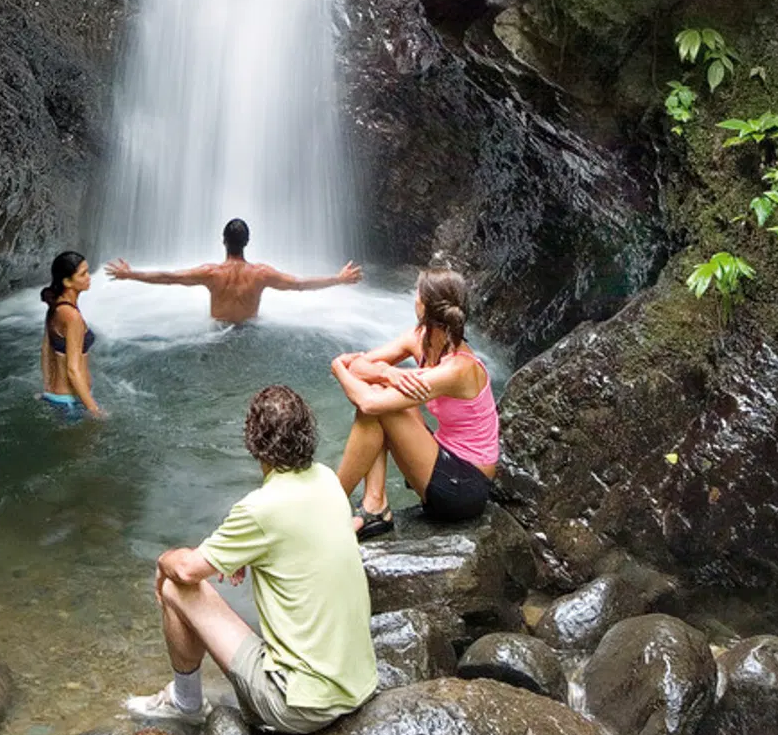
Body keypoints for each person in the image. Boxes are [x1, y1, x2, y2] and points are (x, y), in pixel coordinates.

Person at [128, 383, 377, 732]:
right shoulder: (327, 481)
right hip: (358, 685)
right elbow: (305, 536)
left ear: (253, 441)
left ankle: (185, 703)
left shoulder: (260, 509)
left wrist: (164, 561)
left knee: (175, 587)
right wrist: (252, 553)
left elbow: (186, 570)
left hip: (301, 706)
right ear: (308, 432)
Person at [330, 267, 497, 536]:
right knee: (380, 389)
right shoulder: (419, 339)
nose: (413, 297)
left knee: (379, 405)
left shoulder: (459, 368)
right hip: (442, 457)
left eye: (417, 293)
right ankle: (374, 504)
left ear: (426, 306)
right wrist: (387, 372)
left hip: (465, 487)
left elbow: (367, 401)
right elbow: (360, 365)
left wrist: (337, 367)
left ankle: (328, 506)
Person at [106, 217, 362, 324]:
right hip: (251, 334)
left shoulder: (211, 273)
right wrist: (338, 279)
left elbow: (169, 278)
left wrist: (131, 274)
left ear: (223, 241)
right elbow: (299, 284)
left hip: (217, 334)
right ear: (247, 242)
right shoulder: (261, 274)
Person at [40, 250, 105, 419]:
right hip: (70, 403)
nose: (89, 277)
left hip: (56, 396)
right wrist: (95, 410)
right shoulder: (72, 317)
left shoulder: (55, 306)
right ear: (67, 281)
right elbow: (73, 369)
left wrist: (47, 387)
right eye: (83, 274)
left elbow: (46, 350)